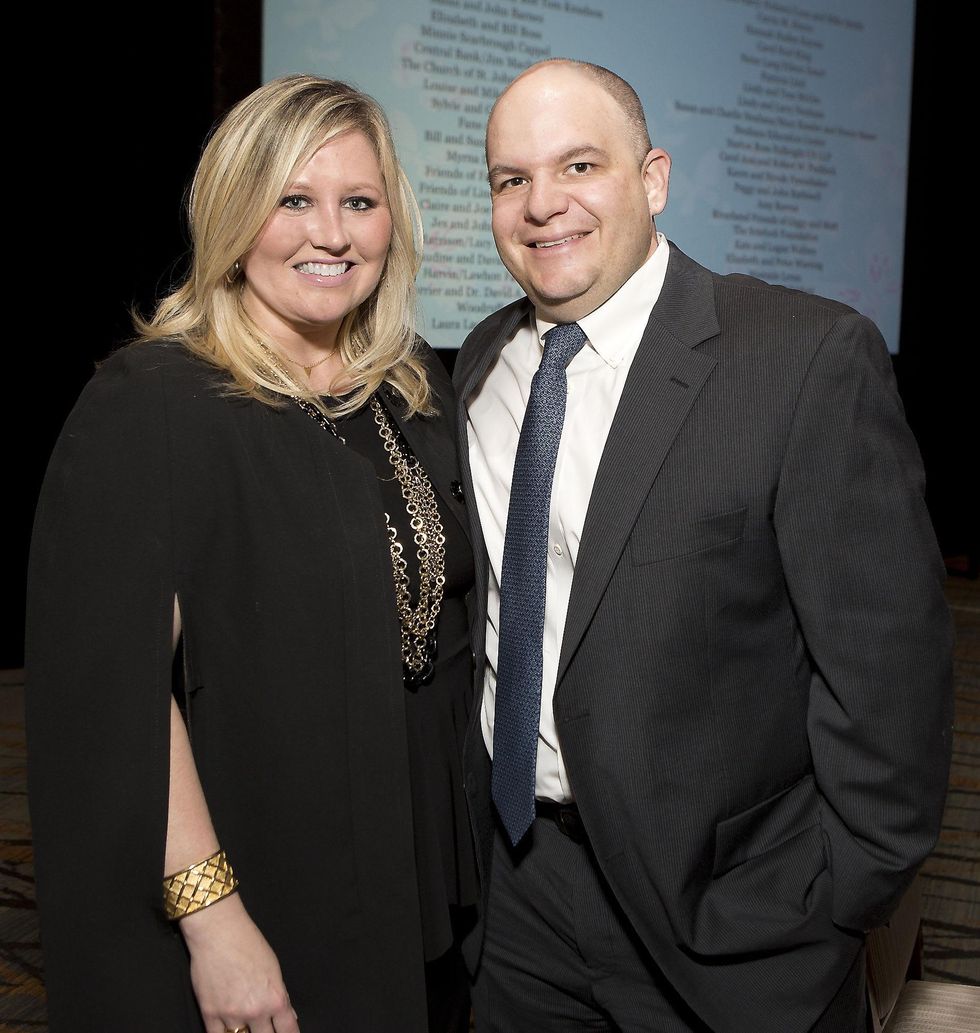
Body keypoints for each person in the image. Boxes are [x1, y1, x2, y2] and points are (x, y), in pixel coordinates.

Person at [453, 58, 954, 1033]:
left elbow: (890, 684)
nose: (541, 204)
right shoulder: (484, 364)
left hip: (727, 924)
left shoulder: (801, 360)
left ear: (651, 179)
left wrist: (827, 908)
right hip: (518, 902)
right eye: (510, 179)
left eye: (579, 166)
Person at [25, 74, 477, 1033]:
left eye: (359, 202)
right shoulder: (154, 403)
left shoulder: (413, 395)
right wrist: (214, 919)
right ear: (235, 213)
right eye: (293, 201)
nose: (332, 233)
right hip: (263, 894)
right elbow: (118, 701)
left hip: (416, 895)